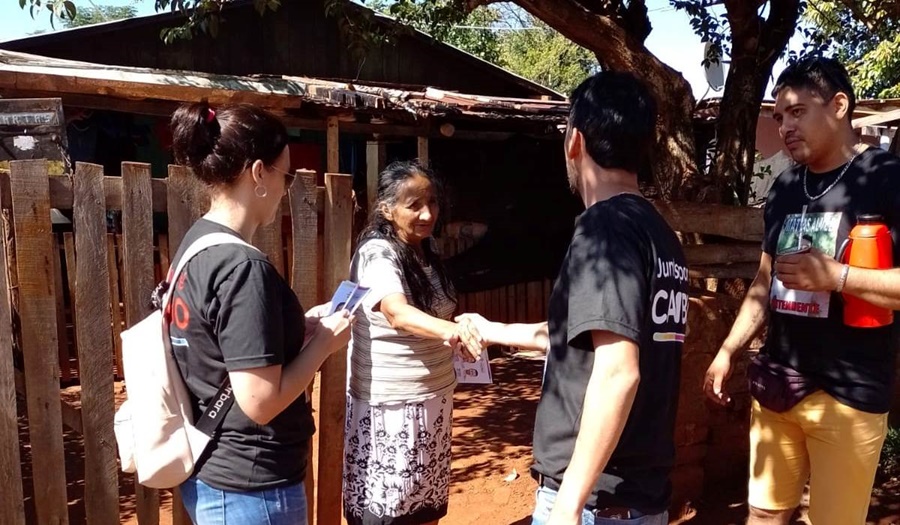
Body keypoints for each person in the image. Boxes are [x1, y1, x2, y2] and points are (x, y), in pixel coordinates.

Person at [459, 71, 687, 525]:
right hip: (637, 498)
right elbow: (578, 336)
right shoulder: (660, 234)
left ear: (574, 142)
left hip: (596, 502)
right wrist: (491, 330)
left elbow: (618, 372)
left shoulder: (604, 228)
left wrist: (569, 504)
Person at [704, 56, 900, 525]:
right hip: (777, 383)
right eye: (778, 117)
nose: (786, 126)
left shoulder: (887, 179)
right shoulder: (785, 188)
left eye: (797, 112)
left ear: (838, 105)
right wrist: (728, 349)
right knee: (764, 517)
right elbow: (764, 280)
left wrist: (836, 278)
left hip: (848, 393)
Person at [168, 102, 352, 525]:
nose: (287, 187)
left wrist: (298, 329)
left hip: (213, 469)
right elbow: (260, 402)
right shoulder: (244, 267)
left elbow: (220, 344)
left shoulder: (198, 243)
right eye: (285, 175)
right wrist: (325, 343)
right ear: (257, 174)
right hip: (253, 487)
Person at [342, 160, 485, 525]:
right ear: (387, 209)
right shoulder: (378, 253)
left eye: (432, 203)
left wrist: (455, 328)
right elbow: (397, 313)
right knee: (390, 507)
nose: (427, 214)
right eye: (414, 205)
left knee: (425, 501)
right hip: (392, 405)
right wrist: (451, 332)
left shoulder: (425, 249)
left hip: (433, 398)